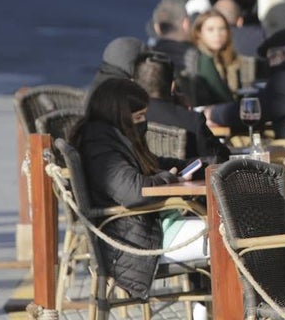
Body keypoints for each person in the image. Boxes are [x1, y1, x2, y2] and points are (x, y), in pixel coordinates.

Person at [69, 79, 212, 299]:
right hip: (132, 244)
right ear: (118, 115)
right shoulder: (99, 145)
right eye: (137, 117)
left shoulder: (110, 137)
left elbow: (153, 164)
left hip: (144, 231)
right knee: (228, 238)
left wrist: (199, 165)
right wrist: (171, 178)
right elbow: (134, 192)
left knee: (225, 229)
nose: (143, 123)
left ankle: (216, 319)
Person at [133, 52, 229, 163]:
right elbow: (220, 157)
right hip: (184, 179)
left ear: (134, 83)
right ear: (173, 86)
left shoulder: (124, 118)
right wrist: (186, 112)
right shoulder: (192, 120)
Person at [189, 10, 241, 129]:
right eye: (210, 29)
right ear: (199, 33)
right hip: (210, 122)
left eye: (222, 29)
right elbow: (222, 97)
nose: (217, 34)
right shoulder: (204, 59)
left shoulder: (222, 59)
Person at [86, 36, 146, 103]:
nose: (146, 65)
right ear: (133, 63)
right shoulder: (121, 92)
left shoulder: (102, 79)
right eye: (143, 61)